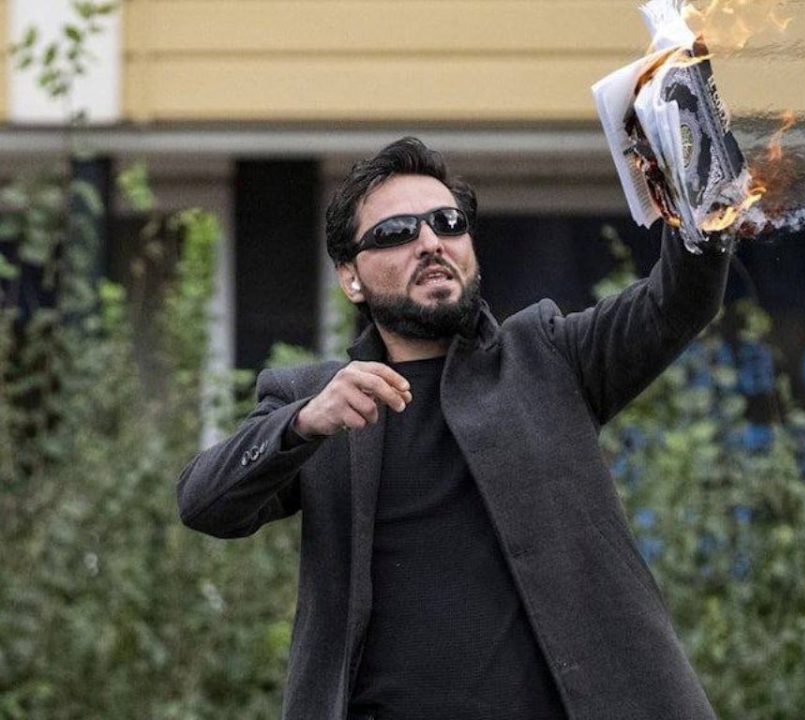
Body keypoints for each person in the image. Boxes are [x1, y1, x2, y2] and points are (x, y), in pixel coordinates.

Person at [177, 137, 730, 720]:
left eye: (448, 223)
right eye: (396, 232)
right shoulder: (316, 402)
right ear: (350, 277)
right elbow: (204, 503)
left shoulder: (549, 357)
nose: (430, 243)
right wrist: (302, 424)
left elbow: (680, 299)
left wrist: (695, 165)